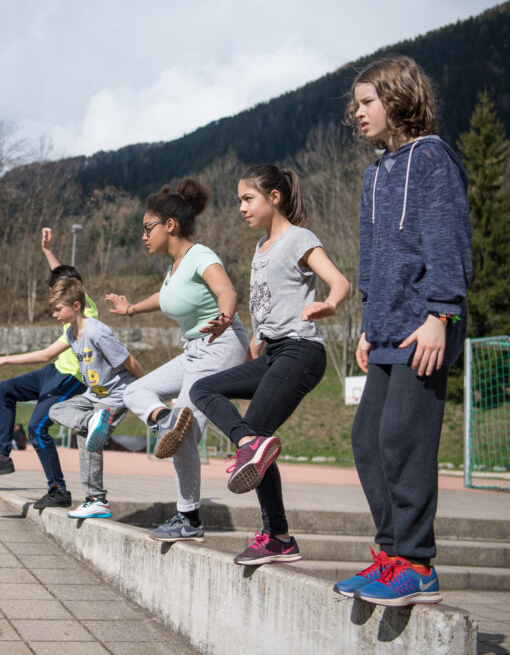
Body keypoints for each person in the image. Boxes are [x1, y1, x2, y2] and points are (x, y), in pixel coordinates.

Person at [331, 55, 472, 607]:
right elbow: (373, 258)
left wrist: (442, 315)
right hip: (387, 326)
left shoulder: (433, 159)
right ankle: (392, 556)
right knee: (368, 440)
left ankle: (418, 564)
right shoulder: (376, 173)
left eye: (367, 101)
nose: (357, 112)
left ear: (399, 98)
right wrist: (368, 327)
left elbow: (449, 241)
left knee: (402, 440)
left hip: (426, 325)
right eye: (357, 103)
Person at [190, 165, 350, 565]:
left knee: (259, 434)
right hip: (274, 351)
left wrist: (328, 304)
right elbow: (263, 316)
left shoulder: (298, 238)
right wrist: (247, 351)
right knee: (204, 389)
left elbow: (340, 281)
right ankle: (252, 451)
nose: (241, 208)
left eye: (248, 199)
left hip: (302, 351)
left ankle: (277, 535)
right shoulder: (260, 248)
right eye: (239, 201)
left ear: (273, 197)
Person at [105, 178, 248, 542]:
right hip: (195, 349)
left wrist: (225, 316)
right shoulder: (174, 268)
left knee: (182, 439)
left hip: (220, 343)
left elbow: (226, 289)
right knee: (135, 391)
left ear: (170, 225)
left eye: (146, 227)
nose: (143, 236)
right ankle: (166, 418)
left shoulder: (200, 255)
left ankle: (189, 520)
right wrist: (131, 308)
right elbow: (166, 297)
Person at [0, 228, 97, 511]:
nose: (55, 309)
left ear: (75, 299)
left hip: (72, 379)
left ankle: (58, 490)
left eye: (59, 301)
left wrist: (4, 360)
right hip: (53, 371)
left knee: (37, 428)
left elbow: (45, 353)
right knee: (6, 389)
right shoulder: (70, 301)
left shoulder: (87, 312)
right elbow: (64, 279)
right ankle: (2, 455)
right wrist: (47, 251)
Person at [38, 278, 146, 518]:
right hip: (92, 395)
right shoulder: (71, 333)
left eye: (59, 309)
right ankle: (90, 422)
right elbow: (46, 354)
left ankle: (97, 500)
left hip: (115, 394)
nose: (55, 315)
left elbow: (128, 361)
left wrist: (147, 386)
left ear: (77, 306)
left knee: (88, 439)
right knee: (55, 410)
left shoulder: (97, 330)